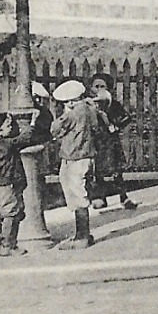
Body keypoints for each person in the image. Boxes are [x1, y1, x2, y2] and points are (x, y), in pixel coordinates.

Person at [49, 79, 110, 249]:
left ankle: (82, 237)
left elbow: (54, 128)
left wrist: (64, 113)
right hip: (84, 154)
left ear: (71, 100)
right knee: (78, 193)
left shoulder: (74, 113)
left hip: (75, 156)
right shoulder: (90, 109)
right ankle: (81, 235)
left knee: (77, 195)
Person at [0, 111, 41, 256]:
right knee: (11, 213)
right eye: (8, 125)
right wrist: (33, 121)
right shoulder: (7, 144)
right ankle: (9, 246)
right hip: (4, 185)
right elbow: (25, 138)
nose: (12, 127)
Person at [88, 73, 138, 210]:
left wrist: (113, 125)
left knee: (116, 170)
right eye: (96, 86)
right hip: (96, 141)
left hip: (110, 141)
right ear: (91, 88)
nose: (99, 89)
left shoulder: (113, 105)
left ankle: (124, 197)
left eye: (102, 86)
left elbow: (126, 118)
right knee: (97, 171)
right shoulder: (89, 105)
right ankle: (100, 197)